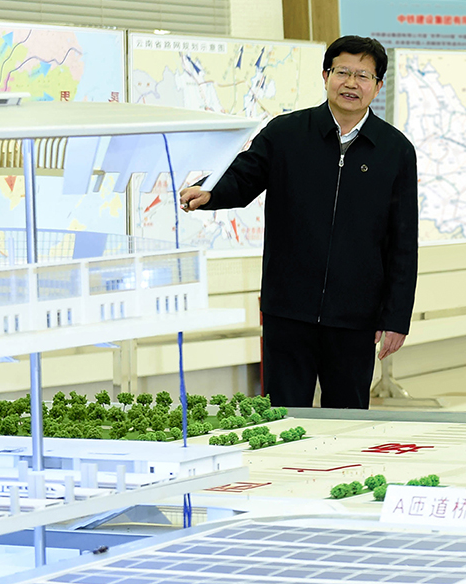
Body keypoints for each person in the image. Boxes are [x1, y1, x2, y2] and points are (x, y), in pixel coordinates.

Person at [179, 36, 418, 409]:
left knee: (348, 418)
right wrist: (210, 192)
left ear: (377, 85)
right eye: (342, 72)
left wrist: (396, 317)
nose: (351, 83)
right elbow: (243, 176)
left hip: (355, 316)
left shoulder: (395, 150)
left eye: (363, 76)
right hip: (288, 309)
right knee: (283, 414)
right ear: (325, 76)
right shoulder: (286, 133)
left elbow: (403, 241)